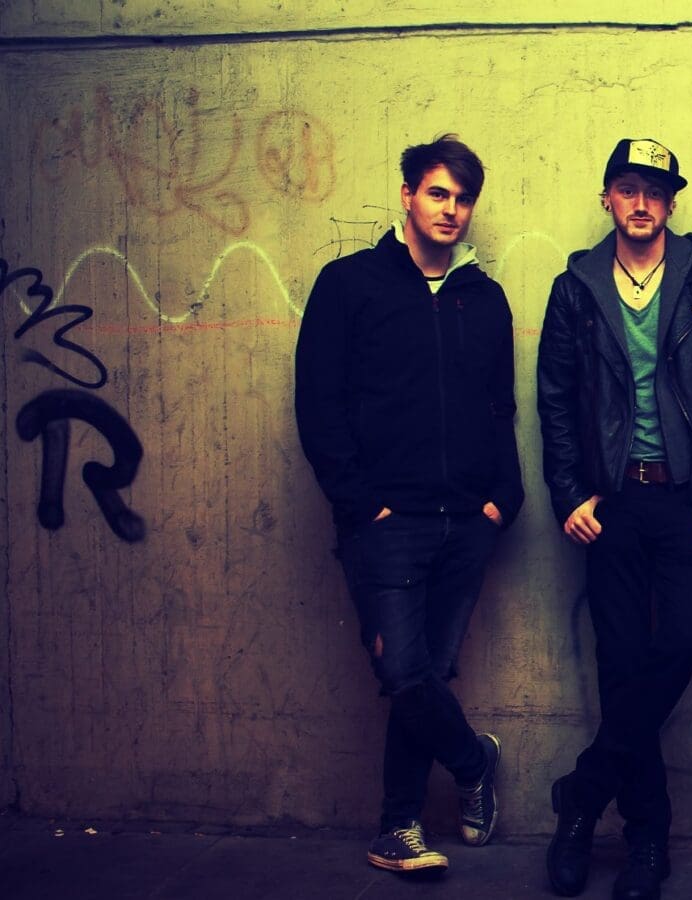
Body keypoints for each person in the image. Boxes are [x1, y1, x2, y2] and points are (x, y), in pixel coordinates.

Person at [536, 137, 692, 900]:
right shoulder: (576, 287)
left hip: (691, 501)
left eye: (655, 192)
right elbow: (555, 401)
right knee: (622, 665)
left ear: (670, 203)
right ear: (607, 197)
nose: (641, 204)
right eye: (628, 189)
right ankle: (646, 839)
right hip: (613, 504)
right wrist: (569, 493)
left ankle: (581, 793)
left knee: (680, 646)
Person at [295, 133, 523, 874]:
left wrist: (504, 498)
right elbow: (319, 404)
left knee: (426, 672)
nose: (450, 209)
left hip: (469, 522)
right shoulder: (349, 284)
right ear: (407, 195)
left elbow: (499, 407)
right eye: (437, 193)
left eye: (463, 198)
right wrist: (361, 504)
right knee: (403, 671)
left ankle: (398, 827)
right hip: (386, 524)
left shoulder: (483, 299)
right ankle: (472, 762)